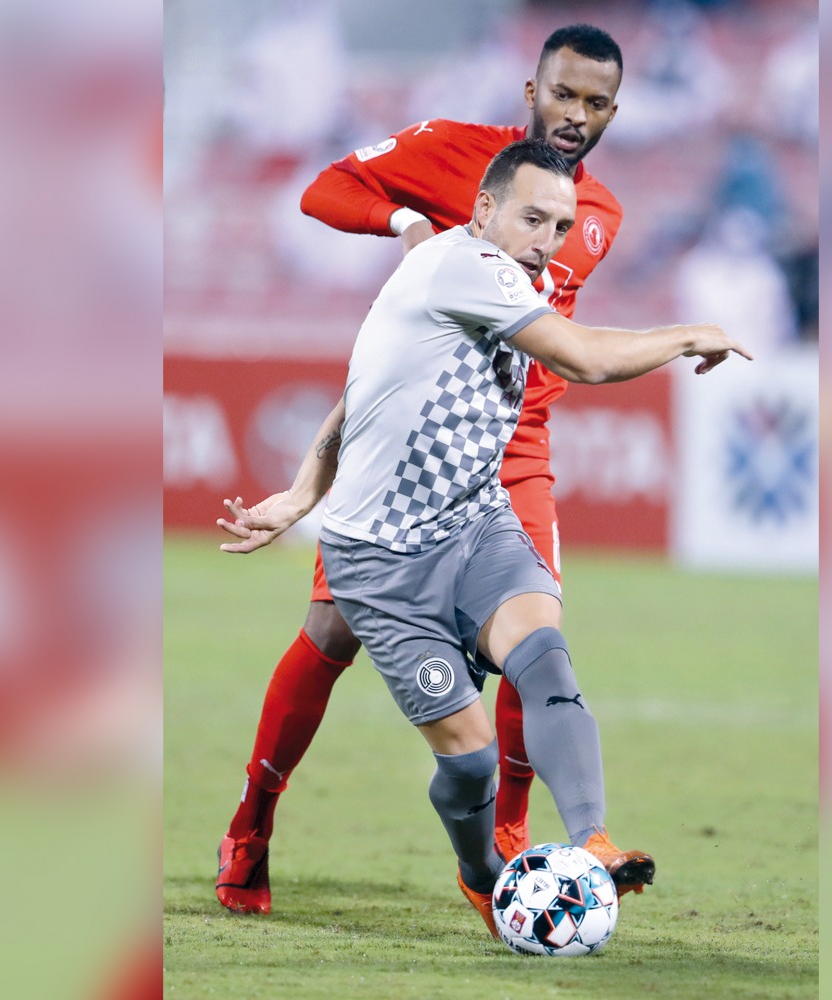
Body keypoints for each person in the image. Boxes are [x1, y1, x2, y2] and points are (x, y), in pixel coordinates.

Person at [218, 138, 752, 935]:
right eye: (533, 218)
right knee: (467, 759)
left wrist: (301, 493)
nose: (548, 240)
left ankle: (591, 841)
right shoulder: (467, 267)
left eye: (562, 226)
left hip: (475, 525)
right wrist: (684, 334)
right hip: (382, 564)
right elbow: (583, 360)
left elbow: (360, 398)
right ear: (484, 211)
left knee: (544, 655)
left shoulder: (487, 280)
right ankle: (482, 873)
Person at [219, 24, 626, 916]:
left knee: (537, 637)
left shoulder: (601, 215)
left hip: (515, 448)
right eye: (564, 94)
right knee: (330, 635)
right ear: (532, 91)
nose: (576, 115)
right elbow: (324, 190)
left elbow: (556, 344)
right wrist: (405, 221)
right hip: (410, 440)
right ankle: (252, 823)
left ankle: (508, 850)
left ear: (613, 113)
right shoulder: (452, 153)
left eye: (596, 103)